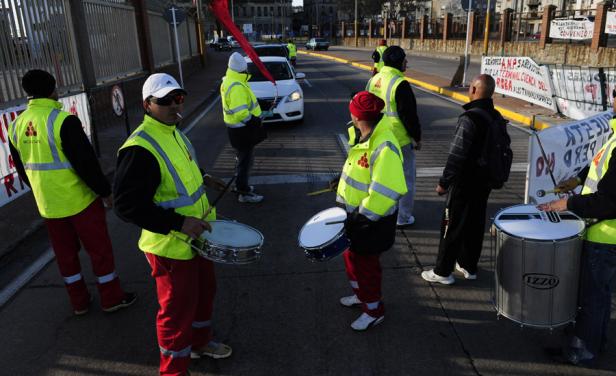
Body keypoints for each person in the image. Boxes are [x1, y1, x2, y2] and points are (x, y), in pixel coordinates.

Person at [114, 73, 232, 376]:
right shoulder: (139, 147)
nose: (173, 105)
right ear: (147, 105)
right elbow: (126, 206)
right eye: (164, 100)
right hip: (170, 246)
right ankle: (173, 371)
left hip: (198, 237)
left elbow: (180, 166)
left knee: (206, 293)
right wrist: (179, 222)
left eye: (178, 97)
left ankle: (199, 343)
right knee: (176, 313)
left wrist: (204, 176)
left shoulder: (174, 130)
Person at [8, 69, 135, 316]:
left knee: (65, 256)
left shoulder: (16, 125)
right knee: (99, 251)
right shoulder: (63, 121)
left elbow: (22, 169)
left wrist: (41, 189)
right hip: (80, 201)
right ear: (53, 89)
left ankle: (79, 302)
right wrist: (104, 192)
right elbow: (86, 164)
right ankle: (111, 297)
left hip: (48, 205)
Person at [539, 103, 616, 366]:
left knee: (591, 299)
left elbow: (609, 201)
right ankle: (596, 343)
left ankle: (582, 351)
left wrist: (567, 204)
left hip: (604, 237)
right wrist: (576, 180)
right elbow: (603, 169)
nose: (613, 101)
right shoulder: (615, 134)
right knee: (601, 297)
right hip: (605, 235)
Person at [336, 91, 407, 331]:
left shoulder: (384, 144)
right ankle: (362, 297)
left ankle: (374, 310)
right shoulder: (362, 135)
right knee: (352, 259)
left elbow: (386, 191)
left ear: (356, 116)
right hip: (355, 218)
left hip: (370, 221)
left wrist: (361, 217)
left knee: (366, 267)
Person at [421, 74, 501, 285]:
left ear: (474, 90)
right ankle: (468, 265)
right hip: (485, 182)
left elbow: (456, 155)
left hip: (465, 182)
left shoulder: (470, 118)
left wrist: (443, 183)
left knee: (451, 225)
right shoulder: (496, 116)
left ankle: (442, 271)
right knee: (475, 223)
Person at [366, 45, 421, 227]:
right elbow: (409, 115)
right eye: (405, 59)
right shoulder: (400, 83)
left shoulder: (374, 79)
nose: (407, 62)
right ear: (399, 62)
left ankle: (380, 211)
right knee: (405, 181)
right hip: (400, 140)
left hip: (377, 138)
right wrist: (417, 137)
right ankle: (402, 218)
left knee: (379, 178)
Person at [220, 52, 266, 203]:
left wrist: (260, 106)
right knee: (245, 162)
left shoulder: (230, 81)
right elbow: (241, 112)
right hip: (242, 131)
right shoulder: (237, 85)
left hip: (237, 130)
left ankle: (243, 186)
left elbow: (243, 104)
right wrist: (254, 121)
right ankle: (243, 193)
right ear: (242, 69)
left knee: (244, 160)